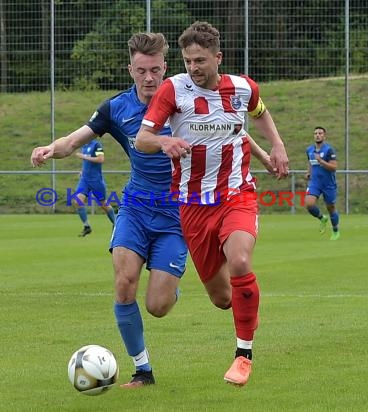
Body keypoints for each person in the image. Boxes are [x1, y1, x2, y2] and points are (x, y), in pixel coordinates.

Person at [135, 21, 289, 386]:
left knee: (239, 259)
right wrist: (164, 143)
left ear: (217, 57)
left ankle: (243, 355)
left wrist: (276, 147)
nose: (193, 68)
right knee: (222, 298)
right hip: (192, 205)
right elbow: (142, 138)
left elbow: (257, 111)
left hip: (237, 194)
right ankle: (246, 309)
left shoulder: (241, 87)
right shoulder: (173, 89)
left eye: (200, 60)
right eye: (188, 60)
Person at [31, 32, 188, 388]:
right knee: (124, 283)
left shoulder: (185, 104)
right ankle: (142, 370)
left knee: (158, 305)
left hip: (176, 215)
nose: (149, 78)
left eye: (155, 70)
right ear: (130, 69)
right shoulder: (115, 108)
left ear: (166, 68)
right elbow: (73, 141)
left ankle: (172, 287)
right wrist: (48, 148)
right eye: (141, 70)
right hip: (134, 207)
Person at [73, 138, 115, 237]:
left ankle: (116, 223)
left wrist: (84, 156)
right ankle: (87, 226)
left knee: (103, 204)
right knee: (78, 200)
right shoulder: (84, 145)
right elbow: (86, 163)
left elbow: (101, 159)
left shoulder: (96, 145)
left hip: (96, 180)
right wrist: (83, 170)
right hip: (85, 180)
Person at [304, 126, 340, 240]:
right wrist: (308, 172)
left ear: (324, 136)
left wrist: (321, 161)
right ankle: (322, 218)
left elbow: (334, 167)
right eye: (315, 133)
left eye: (320, 133)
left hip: (328, 184)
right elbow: (310, 162)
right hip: (315, 182)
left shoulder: (329, 150)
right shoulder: (309, 150)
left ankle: (335, 230)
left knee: (331, 207)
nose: (317, 135)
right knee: (309, 204)